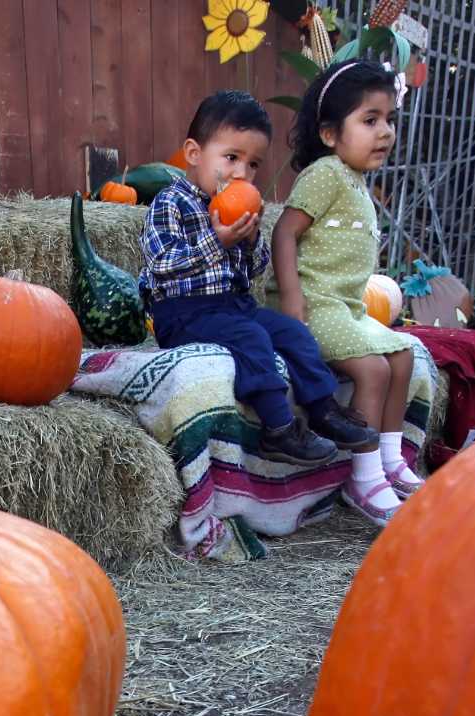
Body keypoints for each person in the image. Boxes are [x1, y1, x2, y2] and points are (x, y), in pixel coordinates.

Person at [141, 91, 376, 466]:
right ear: (193, 154)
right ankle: (279, 429)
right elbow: (162, 264)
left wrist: (250, 243)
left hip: (234, 306)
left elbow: (252, 272)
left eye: (252, 165)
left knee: (293, 332)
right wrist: (216, 241)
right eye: (231, 158)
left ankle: (323, 410)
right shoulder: (171, 203)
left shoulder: (238, 208)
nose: (241, 173)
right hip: (183, 314)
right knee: (252, 338)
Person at [274, 59, 425, 524]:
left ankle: (389, 456)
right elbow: (284, 232)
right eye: (370, 120)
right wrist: (292, 297)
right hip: (314, 302)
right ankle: (362, 478)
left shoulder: (357, 182)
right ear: (329, 134)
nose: (385, 132)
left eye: (389, 121)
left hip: (347, 307)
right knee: (374, 371)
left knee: (404, 356)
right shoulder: (326, 174)